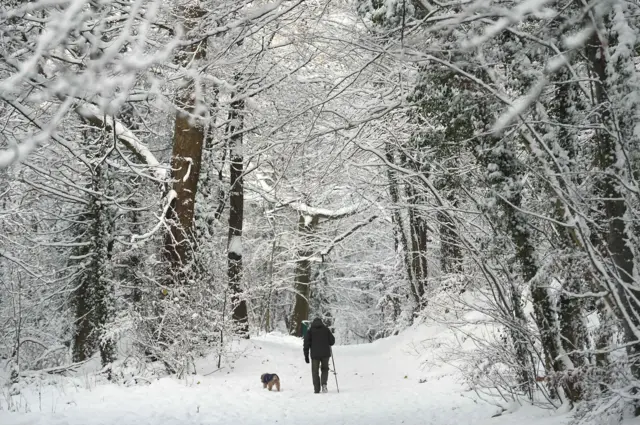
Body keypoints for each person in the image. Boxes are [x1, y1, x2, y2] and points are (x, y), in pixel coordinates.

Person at [303, 317, 335, 393]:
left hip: (315, 355)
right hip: (325, 354)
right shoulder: (326, 330)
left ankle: (316, 389)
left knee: (315, 371)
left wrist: (306, 356)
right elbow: (332, 341)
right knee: (325, 369)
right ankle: (324, 384)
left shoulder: (310, 331)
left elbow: (306, 344)